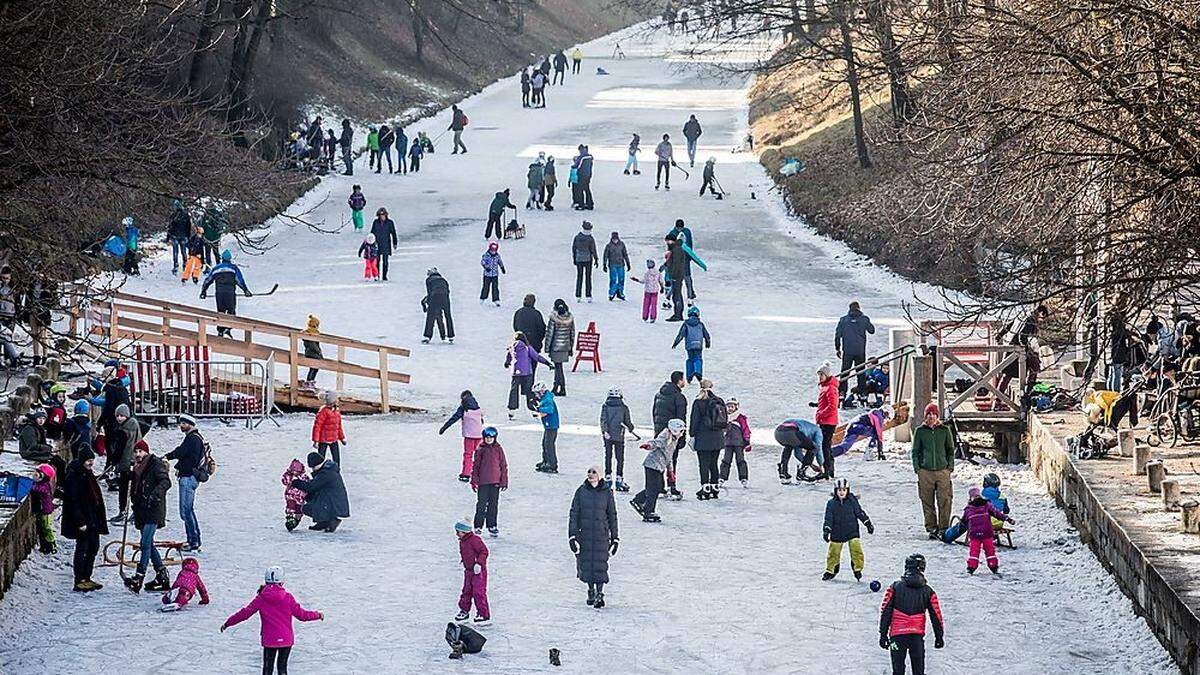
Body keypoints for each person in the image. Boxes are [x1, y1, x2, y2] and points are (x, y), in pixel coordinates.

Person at [221, 566, 324, 675]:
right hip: (286, 639)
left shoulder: (261, 598)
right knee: (282, 668)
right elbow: (302, 615)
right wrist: (317, 615)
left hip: (270, 639)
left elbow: (245, 613)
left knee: (267, 669)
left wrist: (228, 623)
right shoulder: (288, 597)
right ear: (282, 582)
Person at [879, 554, 945, 675]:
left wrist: (883, 634)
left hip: (896, 638)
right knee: (918, 670)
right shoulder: (928, 591)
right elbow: (936, 615)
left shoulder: (895, 587)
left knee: (897, 670)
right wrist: (939, 636)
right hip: (916, 638)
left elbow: (885, 611)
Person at [125, 440, 172, 593]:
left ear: (146, 452)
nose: (138, 454)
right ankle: (162, 575)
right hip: (141, 510)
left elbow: (166, 481)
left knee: (145, 543)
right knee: (149, 544)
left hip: (153, 509)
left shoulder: (155, 464)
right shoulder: (137, 468)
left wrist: (156, 494)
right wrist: (127, 476)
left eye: (141, 451)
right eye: (136, 452)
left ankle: (139, 576)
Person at [568, 466, 618, 608]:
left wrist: (615, 538)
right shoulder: (581, 491)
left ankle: (600, 593)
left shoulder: (607, 493)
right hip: (585, 534)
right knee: (587, 564)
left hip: (601, 536)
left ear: (600, 476)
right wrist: (572, 536)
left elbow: (612, 515)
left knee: (600, 565)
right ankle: (591, 590)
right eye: (589, 472)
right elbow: (574, 514)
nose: (590, 474)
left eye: (594, 472)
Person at [61, 447, 107, 592]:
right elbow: (73, 501)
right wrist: (80, 521)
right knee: (83, 548)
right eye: (88, 460)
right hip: (83, 519)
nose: (90, 463)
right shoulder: (74, 476)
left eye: (92, 460)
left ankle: (86, 577)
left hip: (92, 517)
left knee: (93, 547)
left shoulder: (87, 473)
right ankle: (79, 579)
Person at [912, 403, 955, 539]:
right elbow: (915, 451)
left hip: (943, 471)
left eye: (934, 414)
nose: (931, 417)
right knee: (927, 501)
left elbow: (950, 450)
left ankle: (944, 528)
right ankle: (931, 528)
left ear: (937, 416)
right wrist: (917, 468)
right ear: (925, 416)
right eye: (929, 414)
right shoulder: (920, 431)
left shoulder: (945, 430)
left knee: (945, 500)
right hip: (925, 471)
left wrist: (950, 467)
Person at [165, 414, 206, 552]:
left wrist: (168, 456)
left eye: (183, 423)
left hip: (188, 478)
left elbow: (181, 453)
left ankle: (193, 541)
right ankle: (194, 539)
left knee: (186, 511)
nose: (181, 425)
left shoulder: (192, 439)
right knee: (188, 511)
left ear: (190, 424)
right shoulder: (194, 438)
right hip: (189, 477)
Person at [631, 419, 685, 522]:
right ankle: (648, 511)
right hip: (652, 465)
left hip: (659, 466)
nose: (682, 434)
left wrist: (670, 471)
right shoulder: (665, 435)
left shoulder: (673, 440)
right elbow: (656, 442)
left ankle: (638, 500)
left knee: (658, 487)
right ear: (675, 430)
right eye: (681, 431)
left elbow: (669, 457)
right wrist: (649, 445)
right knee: (653, 489)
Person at [823, 477, 875, 580]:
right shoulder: (831, 504)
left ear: (848, 490)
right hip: (837, 532)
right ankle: (831, 570)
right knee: (833, 552)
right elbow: (828, 518)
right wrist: (826, 530)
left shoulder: (852, 501)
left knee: (856, 550)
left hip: (852, 531)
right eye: (839, 490)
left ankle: (857, 569)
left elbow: (860, 513)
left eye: (844, 490)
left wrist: (868, 523)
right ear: (835, 491)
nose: (842, 492)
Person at [961, 486, 1016, 574]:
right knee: (990, 550)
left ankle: (971, 567)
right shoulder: (986, 505)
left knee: (974, 551)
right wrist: (1008, 519)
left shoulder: (969, 509)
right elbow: (997, 514)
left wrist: (963, 525)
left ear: (970, 498)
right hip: (987, 533)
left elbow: (964, 521)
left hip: (975, 535)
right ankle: (993, 566)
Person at [200, 249, 252, 338]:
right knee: (231, 311)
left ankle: (220, 331)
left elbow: (208, 280)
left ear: (222, 259)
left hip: (219, 293)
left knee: (220, 312)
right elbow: (239, 280)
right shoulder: (233, 268)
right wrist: (245, 290)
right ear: (230, 259)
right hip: (230, 293)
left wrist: (203, 291)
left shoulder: (216, 268)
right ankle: (228, 328)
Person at [689, 379, 727, 500]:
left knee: (703, 464)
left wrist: (692, 434)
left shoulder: (698, 402)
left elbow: (694, 421)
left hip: (703, 438)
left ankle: (705, 489)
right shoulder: (719, 400)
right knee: (714, 463)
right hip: (717, 437)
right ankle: (715, 489)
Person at [652, 371, 688, 500]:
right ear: (679, 381)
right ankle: (672, 487)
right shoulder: (679, 397)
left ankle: (660, 487)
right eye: (683, 379)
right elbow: (681, 419)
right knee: (672, 461)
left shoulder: (659, 394)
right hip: (673, 434)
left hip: (660, 433)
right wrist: (682, 436)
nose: (685, 382)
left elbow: (654, 413)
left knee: (660, 459)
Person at [293, 451, 350, 532]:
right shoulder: (328, 470)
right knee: (309, 505)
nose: (312, 469)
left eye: (313, 467)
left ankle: (331, 521)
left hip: (334, 503)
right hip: (333, 501)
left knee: (307, 508)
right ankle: (323, 522)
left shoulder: (326, 473)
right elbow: (315, 487)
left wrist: (296, 483)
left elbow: (311, 486)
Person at [105, 403, 141, 522]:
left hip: (126, 463)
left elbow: (120, 449)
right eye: (117, 416)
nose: (119, 418)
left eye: (122, 416)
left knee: (124, 489)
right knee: (135, 488)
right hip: (136, 461)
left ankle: (123, 511)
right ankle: (135, 511)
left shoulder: (123, 431)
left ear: (127, 416)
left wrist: (113, 462)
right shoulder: (135, 425)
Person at [470, 427, 508, 536]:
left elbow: (503, 465)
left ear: (495, 438)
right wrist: (474, 480)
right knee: (481, 504)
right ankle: (478, 525)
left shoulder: (498, 449)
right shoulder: (480, 449)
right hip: (483, 482)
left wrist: (504, 480)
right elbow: (476, 466)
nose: (489, 440)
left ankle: (492, 525)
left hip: (495, 481)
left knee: (493, 504)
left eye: (491, 438)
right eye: (487, 438)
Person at [440, 390, 484, 482]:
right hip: (479, 435)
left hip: (469, 436)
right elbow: (481, 421)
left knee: (468, 454)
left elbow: (454, 418)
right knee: (478, 454)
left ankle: (466, 474)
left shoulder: (463, 408)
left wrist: (444, 428)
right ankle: (479, 473)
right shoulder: (478, 407)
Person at [835, 301, 876, 398]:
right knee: (860, 372)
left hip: (847, 351)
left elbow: (837, 335)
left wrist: (837, 348)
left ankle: (842, 392)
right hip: (860, 351)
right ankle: (862, 392)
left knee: (845, 372)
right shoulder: (864, 319)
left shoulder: (843, 320)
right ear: (859, 308)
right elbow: (872, 330)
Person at [453, 519, 491, 624]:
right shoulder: (463, 541)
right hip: (468, 571)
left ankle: (483, 614)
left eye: (458, 531)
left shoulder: (475, 540)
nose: (456, 534)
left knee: (478, 592)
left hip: (478, 572)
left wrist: (479, 563)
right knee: (466, 591)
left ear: (465, 532)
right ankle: (464, 610)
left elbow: (484, 551)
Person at [505, 332, 549, 417]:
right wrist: (547, 363)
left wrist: (507, 363)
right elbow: (537, 357)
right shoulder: (527, 348)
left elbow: (509, 357)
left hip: (515, 372)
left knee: (514, 390)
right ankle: (533, 409)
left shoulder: (512, 347)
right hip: (527, 373)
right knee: (529, 391)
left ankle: (511, 410)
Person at [600, 387, 636, 491]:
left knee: (608, 456)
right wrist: (631, 428)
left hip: (608, 436)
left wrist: (605, 431)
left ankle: (608, 477)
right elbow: (628, 421)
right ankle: (619, 479)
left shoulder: (605, 406)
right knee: (620, 458)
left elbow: (603, 419)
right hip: (619, 436)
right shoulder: (623, 407)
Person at [775, 417, 824, 483]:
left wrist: (811, 465)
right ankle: (801, 474)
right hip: (791, 433)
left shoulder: (803, 427)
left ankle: (783, 472)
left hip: (778, 432)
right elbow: (818, 448)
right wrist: (821, 465)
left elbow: (798, 454)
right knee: (814, 447)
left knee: (789, 446)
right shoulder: (818, 430)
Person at [671, 306, 711, 382]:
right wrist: (707, 343)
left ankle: (689, 376)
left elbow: (681, 334)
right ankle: (698, 372)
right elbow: (706, 335)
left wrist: (675, 343)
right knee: (698, 358)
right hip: (698, 344)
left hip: (689, 345)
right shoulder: (700, 324)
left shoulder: (686, 324)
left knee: (690, 359)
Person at [719, 398, 752, 488]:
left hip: (738, 443)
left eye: (732, 406)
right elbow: (722, 430)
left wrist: (747, 440)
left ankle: (743, 478)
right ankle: (722, 477)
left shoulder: (740, 417)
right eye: (728, 406)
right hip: (728, 443)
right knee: (726, 461)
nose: (730, 408)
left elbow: (746, 429)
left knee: (740, 460)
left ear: (736, 407)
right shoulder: (724, 417)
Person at [815, 361, 840, 477]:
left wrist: (821, 414)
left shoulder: (830, 388)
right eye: (819, 375)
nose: (820, 377)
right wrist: (817, 405)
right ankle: (829, 471)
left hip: (828, 422)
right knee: (825, 446)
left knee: (825, 446)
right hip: (825, 421)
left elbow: (833, 406)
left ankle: (828, 471)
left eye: (822, 375)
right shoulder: (825, 387)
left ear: (827, 375)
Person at [545, 299, 575, 396]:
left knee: (558, 368)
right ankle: (556, 387)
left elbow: (550, 334)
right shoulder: (569, 318)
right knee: (559, 367)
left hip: (555, 347)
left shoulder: (553, 318)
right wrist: (571, 347)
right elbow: (572, 334)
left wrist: (547, 347)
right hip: (565, 346)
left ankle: (561, 388)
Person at [311, 390, 346, 465]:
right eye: (336, 399)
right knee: (320, 459)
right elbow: (317, 426)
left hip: (334, 439)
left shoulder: (336, 411)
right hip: (324, 439)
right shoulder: (323, 411)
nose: (338, 400)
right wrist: (316, 441)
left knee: (336, 459)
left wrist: (342, 438)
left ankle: (337, 473)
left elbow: (338, 426)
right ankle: (319, 473)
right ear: (333, 401)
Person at [422, 268, 455, 344]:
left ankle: (427, 336)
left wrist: (428, 303)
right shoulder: (444, 280)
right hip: (445, 297)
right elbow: (448, 291)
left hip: (435, 297)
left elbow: (430, 292)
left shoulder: (429, 280)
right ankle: (451, 336)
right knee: (448, 316)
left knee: (430, 316)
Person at [533, 382, 561, 473]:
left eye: (536, 393)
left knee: (549, 445)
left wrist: (539, 410)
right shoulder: (544, 398)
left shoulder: (547, 399)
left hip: (552, 425)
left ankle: (552, 464)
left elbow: (549, 410)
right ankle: (545, 461)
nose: (535, 395)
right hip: (548, 425)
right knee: (545, 443)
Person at [31, 463, 57, 554]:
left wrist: (31, 487)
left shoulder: (45, 485)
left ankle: (51, 543)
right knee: (42, 528)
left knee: (46, 527)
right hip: (42, 510)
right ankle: (44, 545)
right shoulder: (40, 483)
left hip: (46, 511)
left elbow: (39, 490)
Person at [513, 294, 547, 359]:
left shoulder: (518, 312)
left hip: (521, 343)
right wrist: (539, 340)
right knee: (533, 363)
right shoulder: (536, 314)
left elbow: (515, 327)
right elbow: (541, 329)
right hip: (534, 344)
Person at [572, 221, 599, 302]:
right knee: (588, 278)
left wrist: (574, 258)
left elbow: (574, 248)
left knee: (579, 277)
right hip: (588, 260)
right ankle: (588, 295)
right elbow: (593, 249)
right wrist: (596, 259)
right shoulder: (590, 238)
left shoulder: (577, 237)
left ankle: (578, 295)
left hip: (579, 259)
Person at [664, 236, 688, 321]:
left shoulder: (677, 250)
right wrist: (665, 265)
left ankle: (678, 314)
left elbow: (676, 264)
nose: (667, 243)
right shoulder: (675, 249)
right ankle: (677, 314)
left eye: (668, 242)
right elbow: (671, 260)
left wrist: (673, 275)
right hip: (676, 275)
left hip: (677, 276)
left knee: (677, 295)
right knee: (676, 295)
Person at [281, 459, 309, 532]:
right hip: (291, 496)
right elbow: (284, 481)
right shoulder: (289, 476)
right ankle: (290, 518)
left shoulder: (303, 476)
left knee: (299, 510)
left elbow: (307, 484)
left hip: (300, 497)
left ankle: (296, 520)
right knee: (291, 506)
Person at [630, 258, 661, 322]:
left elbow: (643, 281)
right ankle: (653, 317)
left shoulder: (647, 273)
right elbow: (661, 281)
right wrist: (662, 287)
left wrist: (636, 279)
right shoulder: (658, 272)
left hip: (648, 291)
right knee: (654, 305)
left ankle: (645, 316)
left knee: (646, 304)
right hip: (655, 291)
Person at [603, 231, 631, 301]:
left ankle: (620, 292)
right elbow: (605, 256)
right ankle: (611, 293)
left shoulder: (621, 244)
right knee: (613, 279)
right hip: (612, 265)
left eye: (616, 239)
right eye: (613, 239)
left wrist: (628, 263)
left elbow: (625, 254)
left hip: (621, 264)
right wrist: (604, 264)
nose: (615, 240)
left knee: (621, 279)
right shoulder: (608, 246)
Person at [167, 199, 192, 275]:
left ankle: (176, 265)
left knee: (175, 252)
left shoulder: (173, 215)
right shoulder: (186, 215)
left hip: (175, 236)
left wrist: (168, 237)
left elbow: (170, 227)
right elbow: (189, 226)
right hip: (184, 235)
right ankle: (185, 264)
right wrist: (188, 236)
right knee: (184, 251)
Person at [300, 314, 324, 388]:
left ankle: (309, 381)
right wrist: (319, 353)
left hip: (308, 353)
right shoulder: (312, 334)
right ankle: (310, 381)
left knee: (313, 368)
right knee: (314, 368)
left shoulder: (307, 333)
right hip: (313, 354)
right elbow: (313, 345)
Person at [479, 241, 506, 306]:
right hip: (487, 275)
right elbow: (483, 262)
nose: (493, 252)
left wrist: (502, 268)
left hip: (495, 275)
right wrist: (486, 267)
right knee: (486, 287)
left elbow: (500, 262)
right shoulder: (486, 255)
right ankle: (483, 298)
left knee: (495, 287)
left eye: (494, 251)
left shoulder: (497, 256)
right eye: (492, 250)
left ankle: (496, 299)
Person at [574, 145, 594, 210]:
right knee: (587, 189)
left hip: (582, 175)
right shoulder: (590, 157)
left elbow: (577, 166)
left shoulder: (581, 157)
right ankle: (590, 204)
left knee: (580, 190)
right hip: (588, 175)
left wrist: (573, 167)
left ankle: (581, 205)